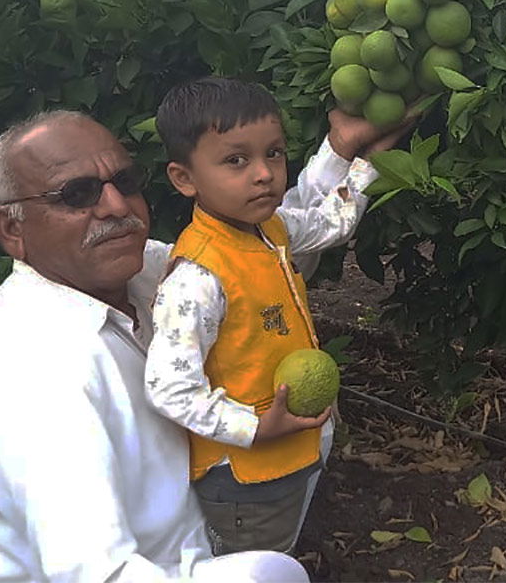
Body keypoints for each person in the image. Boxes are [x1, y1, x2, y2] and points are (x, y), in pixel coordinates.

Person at [0, 110, 312, 581]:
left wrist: (343, 153)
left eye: (124, 181)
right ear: (12, 230)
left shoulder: (148, 272)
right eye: (77, 193)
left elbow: (261, 271)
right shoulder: (38, 377)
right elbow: (96, 574)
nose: (116, 205)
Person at [145, 78, 405, 557]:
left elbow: (333, 223)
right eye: (236, 160)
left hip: (286, 458)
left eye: (275, 153)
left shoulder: (270, 226)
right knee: (252, 564)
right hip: (246, 478)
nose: (264, 174)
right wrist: (255, 428)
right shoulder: (198, 276)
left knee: (279, 546)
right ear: (184, 179)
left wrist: (367, 161)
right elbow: (170, 387)